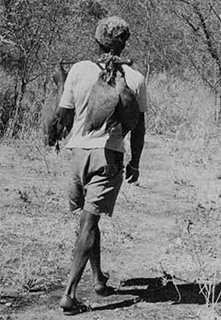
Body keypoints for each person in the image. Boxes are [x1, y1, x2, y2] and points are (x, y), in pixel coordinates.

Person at [50, 16, 147, 315]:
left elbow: (62, 117)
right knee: (90, 223)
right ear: (125, 42)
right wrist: (135, 163)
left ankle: (98, 280)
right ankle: (69, 294)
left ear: (96, 40)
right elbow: (139, 128)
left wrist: (59, 88)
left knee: (87, 222)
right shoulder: (135, 78)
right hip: (109, 155)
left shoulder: (79, 70)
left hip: (78, 154)